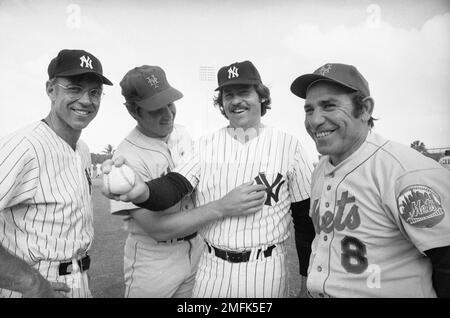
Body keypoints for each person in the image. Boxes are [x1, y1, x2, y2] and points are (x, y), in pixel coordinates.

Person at [103, 60, 314, 298]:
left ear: (261, 97)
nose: (235, 101)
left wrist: (306, 280)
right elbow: (173, 186)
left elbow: (304, 220)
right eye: (228, 95)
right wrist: (143, 192)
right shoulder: (204, 146)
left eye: (244, 92)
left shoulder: (290, 146)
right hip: (212, 268)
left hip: (266, 266)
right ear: (221, 104)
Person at [290, 63, 450, 298]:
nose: (315, 121)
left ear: (364, 108)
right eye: (309, 109)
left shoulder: (405, 171)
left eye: (329, 106)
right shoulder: (320, 169)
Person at [0, 49, 113, 298]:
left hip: (76, 280)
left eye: (95, 92)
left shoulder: (82, 149)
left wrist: (79, 270)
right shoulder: (23, 147)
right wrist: (31, 284)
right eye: (74, 88)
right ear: (51, 90)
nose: (86, 100)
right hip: (32, 285)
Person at [110, 65, 204, 297]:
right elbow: (158, 230)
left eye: (169, 104)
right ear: (133, 110)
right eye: (155, 109)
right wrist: (222, 209)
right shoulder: (124, 158)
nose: (168, 114)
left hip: (196, 249)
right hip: (154, 260)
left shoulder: (182, 133)